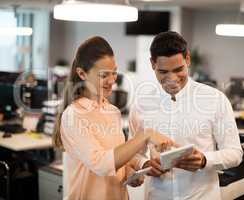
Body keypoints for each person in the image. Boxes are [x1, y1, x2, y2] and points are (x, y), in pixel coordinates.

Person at [53, 36, 173, 200]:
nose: (112, 81)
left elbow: (118, 156)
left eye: (114, 73)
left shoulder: (112, 111)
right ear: (82, 74)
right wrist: (145, 136)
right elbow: (102, 164)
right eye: (104, 76)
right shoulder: (74, 115)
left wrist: (133, 169)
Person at [129, 31, 243, 200]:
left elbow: (235, 153)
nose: (172, 79)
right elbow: (132, 153)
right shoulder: (141, 105)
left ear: (187, 59)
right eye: (163, 72)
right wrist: (144, 164)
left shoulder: (215, 99)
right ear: (152, 64)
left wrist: (205, 160)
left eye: (178, 70)